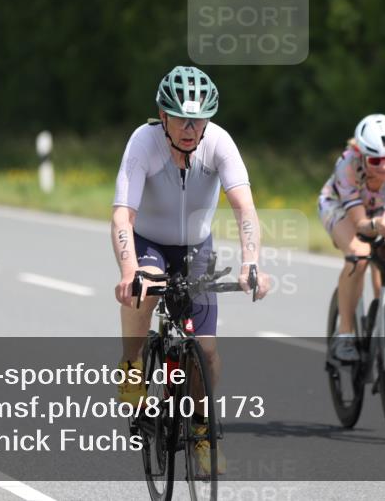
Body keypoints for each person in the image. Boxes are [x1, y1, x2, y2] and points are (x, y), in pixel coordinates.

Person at [111, 65, 270, 475]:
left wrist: (252, 261)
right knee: (144, 289)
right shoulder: (143, 143)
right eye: (180, 117)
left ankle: (200, 430)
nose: (189, 127)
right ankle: (132, 365)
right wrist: (130, 270)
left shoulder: (219, 143)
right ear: (162, 116)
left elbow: (245, 209)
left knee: (209, 351)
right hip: (148, 242)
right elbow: (122, 216)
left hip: (196, 247)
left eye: (197, 119)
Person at [318, 114, 385, 362]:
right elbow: (360, 223)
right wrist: (374, 225)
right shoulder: (347, 165)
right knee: (360, 255)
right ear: (362, 154)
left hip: (382, 208)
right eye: (376, 160)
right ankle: (344, 335)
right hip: (341, 207)